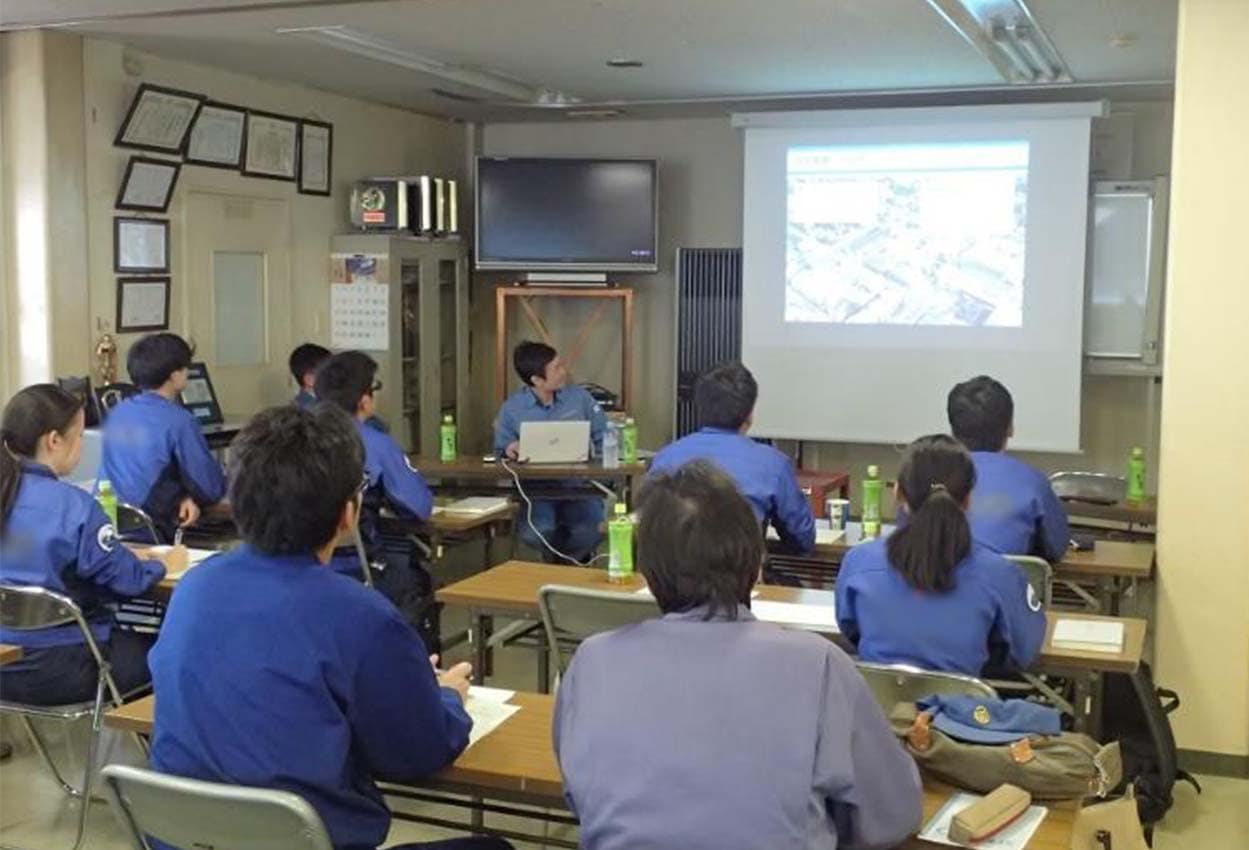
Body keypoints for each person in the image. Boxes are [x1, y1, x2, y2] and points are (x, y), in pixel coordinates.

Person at [148, 404, 508, 850]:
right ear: (348, 513)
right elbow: (417, 753)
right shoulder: (361, 616)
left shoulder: (193, 589)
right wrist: (447, 696)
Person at [554, 460, 921, 850]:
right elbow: (892, 816)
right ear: (755, 562)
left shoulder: (592, 662)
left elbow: (582, 797)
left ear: (646, 568)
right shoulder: (820, 666)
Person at [0, 384, 170, 704]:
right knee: (171, 652)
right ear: (54, 441)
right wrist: (158, 565)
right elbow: (127, 580)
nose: (81, 446)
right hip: (60, 667)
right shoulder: (73, 507)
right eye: (79, 437)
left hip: (6, 663)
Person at [836, 435, 1047, 677]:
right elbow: (1024, 650)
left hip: (873, 709)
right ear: (968, 500)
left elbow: (851, 630)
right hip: (964, 712)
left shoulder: (858, 563)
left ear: (897, 493)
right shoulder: (999, 573)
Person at [649, 362, 814, 553]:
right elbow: (803, 539)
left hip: (669, 579)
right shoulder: (773, 465)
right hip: (739, 579)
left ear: (700, 407)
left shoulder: (664, 458)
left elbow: (649, 527)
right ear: (750, 414)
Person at [315, 351, 434, 616]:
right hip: (354, 569)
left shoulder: (293, 435)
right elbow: (418, 506)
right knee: (415, 580)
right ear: (365, 400)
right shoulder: (376, 444)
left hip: (291, 568)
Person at [99, 332, 226, 542]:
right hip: (151, 530)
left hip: (108, 522)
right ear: (175, 376)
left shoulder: (118, 412)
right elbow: (209, 487)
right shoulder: (179, 421)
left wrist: (182, 495)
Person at [493, 342, 606, 564]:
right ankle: (557, 560)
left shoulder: (580, 398)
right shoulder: (513, 408)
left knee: (592, 531)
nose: (564, 371)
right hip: (535, 490)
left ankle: (567, 562)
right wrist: (509, 449)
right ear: (536, 380)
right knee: (535, 533)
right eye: (556, 368)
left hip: (579, 487)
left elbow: (604, 434)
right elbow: (499, 453)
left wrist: (603, 468)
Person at [947, 375, 1071, 561]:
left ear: (953, 432)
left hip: (927, 588)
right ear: (1010, 428)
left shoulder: (924, 479)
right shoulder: (1032, 482)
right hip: (1004, 588)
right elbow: (1057, 548)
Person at [291, 342, 389, 434]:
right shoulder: (319, 415)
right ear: (309, 380)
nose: (335, 376)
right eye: (328, 373)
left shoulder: (292, 414)